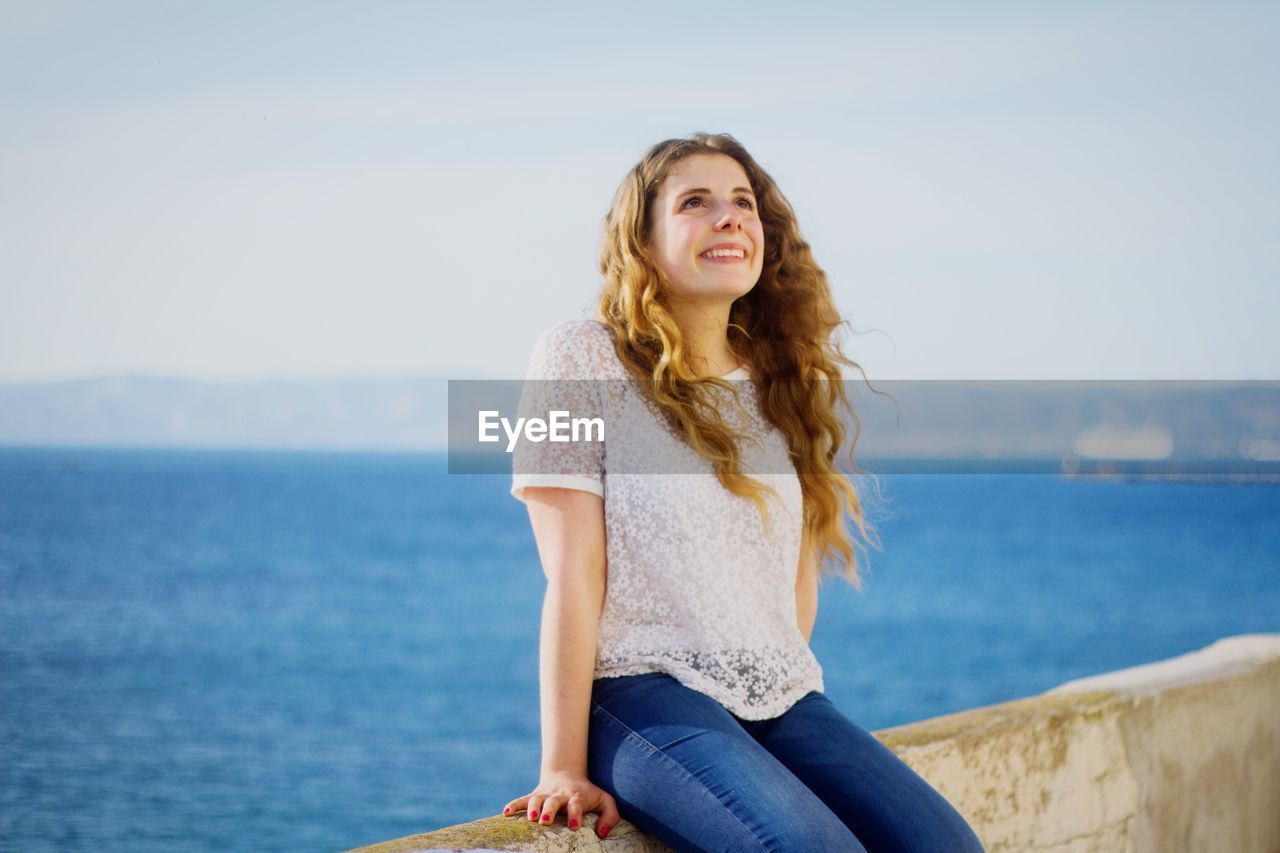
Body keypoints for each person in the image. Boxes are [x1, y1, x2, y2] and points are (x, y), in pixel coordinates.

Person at [500, 133, 984, 852]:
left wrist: (773, 724)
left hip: (779, 694)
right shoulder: (580, 354)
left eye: (743, 203)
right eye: (695, 202)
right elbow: (573, 573)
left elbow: (792, 582)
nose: (728, 217)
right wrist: (562, 766)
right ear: (643, 239)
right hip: (640, 692)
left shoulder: (778, 377)